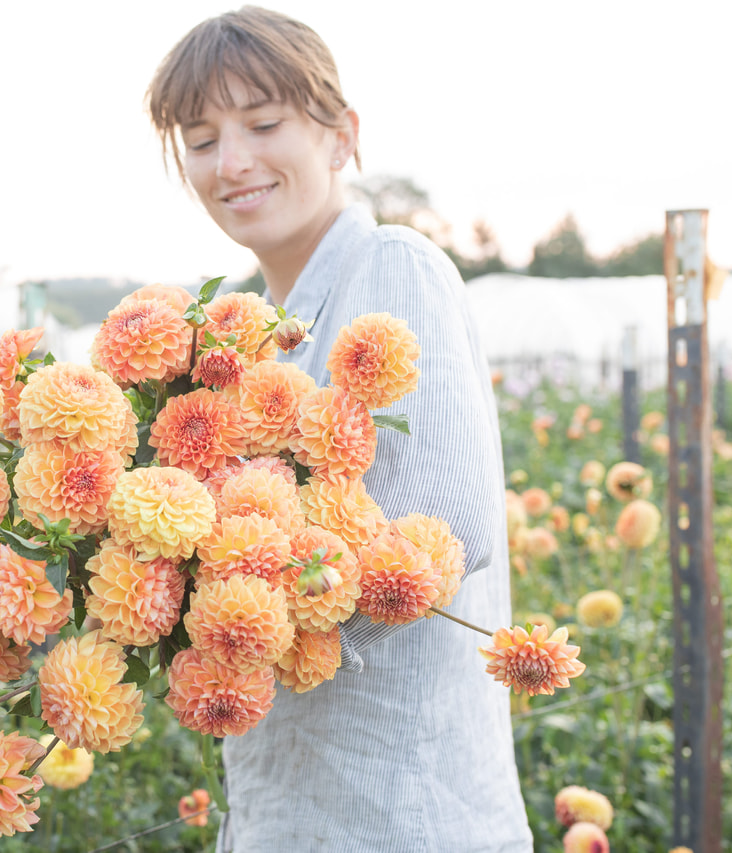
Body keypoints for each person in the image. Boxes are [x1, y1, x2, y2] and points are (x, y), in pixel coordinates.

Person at [147, 8, 534, 852]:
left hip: (398, 811)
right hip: (292, 806)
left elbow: (439, 533)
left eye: (262, 122)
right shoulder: (250, 335)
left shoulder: (392, 266)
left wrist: (234, 613)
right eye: (202, 138)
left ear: (340, 135)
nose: (232, 162)